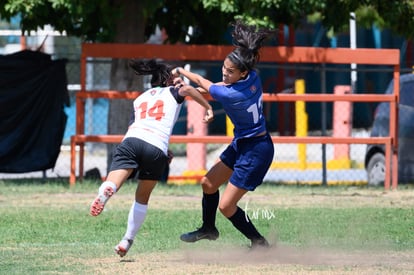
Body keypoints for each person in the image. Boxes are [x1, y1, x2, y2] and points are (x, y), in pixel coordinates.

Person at [89, 59, 214, 257]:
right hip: (156, 146)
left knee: (113, 182)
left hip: (132, 139)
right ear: (169, 80)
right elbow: (189, 90)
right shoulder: (174, 91)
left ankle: (107, 190)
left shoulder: (139, 99)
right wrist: (207, 106)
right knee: (142, 197)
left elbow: (134, 126)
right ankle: (126, 240)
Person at [173, 20, 275, 249]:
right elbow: (215, 86)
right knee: (208, 184)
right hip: (243, 143)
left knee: (227, 207)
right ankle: (208, 229)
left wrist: (180, 71)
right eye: (224, 68)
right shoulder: (252, 79)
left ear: (243, 72)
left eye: (230, 71)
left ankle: (260, 244)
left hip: (257, 150)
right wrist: (202, 89)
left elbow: (202, 83)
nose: (225, 73)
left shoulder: (231, 95)